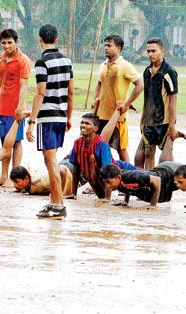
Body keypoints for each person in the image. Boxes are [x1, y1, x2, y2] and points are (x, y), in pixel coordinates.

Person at [25, 24, 74, 219]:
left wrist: (31, 121)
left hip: (47, 117)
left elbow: (40, 93)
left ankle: (58, 204)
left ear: (39, 39)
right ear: (57, 39)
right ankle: (54, 201)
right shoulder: (67, 60)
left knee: (50, 162)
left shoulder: (41, 62)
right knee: (51, 160)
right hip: (61, 115)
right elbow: (70, 92)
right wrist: (69, 116)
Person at [0, 28, 31, 187]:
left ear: (17, 42)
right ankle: (3, 176)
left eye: (10, 43)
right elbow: (0, 82)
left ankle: (15, 176)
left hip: (15, 107)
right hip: (2, 106)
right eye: (3, 43)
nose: (6, 46)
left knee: (16, 142)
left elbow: (24, 86)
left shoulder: (23, 60)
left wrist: (20, 107)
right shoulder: (2, 58)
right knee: (4, 141)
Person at [92, 34, 143, 162]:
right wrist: (95, 100)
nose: (106, 48)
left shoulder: (125, 65)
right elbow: (99, 84)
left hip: (117, 116)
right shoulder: (102, 65)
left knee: (121, 149)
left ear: (119, 48)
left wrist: (127, 103)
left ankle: (129, 175)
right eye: (105, 46)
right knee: (97, 147)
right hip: (100, 114)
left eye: (109, 46)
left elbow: (140, 85)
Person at [68, 112, 135, 202]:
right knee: (101, 196)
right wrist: (73, 193)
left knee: (146, 186)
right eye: (82, 122)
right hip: (97, 177)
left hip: (122, 171)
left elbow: (108, 171)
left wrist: (107, 199)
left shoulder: (102, 144)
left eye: (87, 123)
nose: (83, 125)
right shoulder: (77, 143)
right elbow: (76, 169)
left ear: (95, 128)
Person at [136, 37, 179, 169]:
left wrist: (172, 125)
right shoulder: (147, 71)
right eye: (148, 51)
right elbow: (146, 97)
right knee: (148, 152)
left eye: (154, 51)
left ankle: (168, 184)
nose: (150, 54)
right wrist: (143, 119)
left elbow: (173, 99)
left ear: (163, 51)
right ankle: (151, 183)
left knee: (165, 158)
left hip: (164, 121)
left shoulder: (169, 72)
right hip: (149, 121)